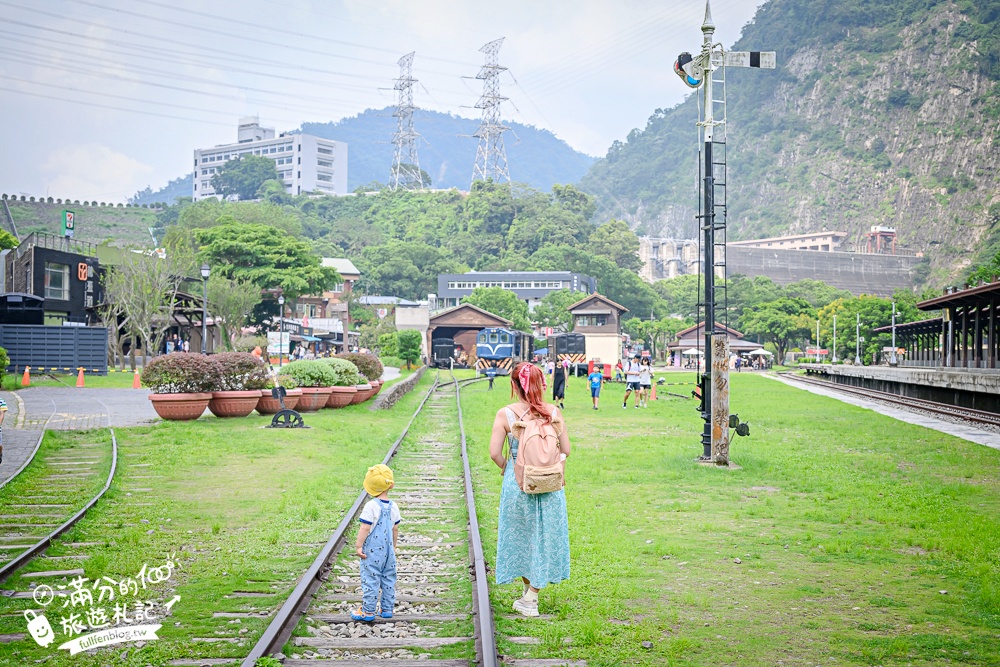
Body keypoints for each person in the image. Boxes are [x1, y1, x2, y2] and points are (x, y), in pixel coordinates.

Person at [488, 362, 570, 617]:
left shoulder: (506, 414)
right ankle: (530, 596)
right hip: (549, 484)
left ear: (514, 385)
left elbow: (493, 453)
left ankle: (530, 598)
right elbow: (566, 450)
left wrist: (509, 467)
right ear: (540, 384)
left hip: (519, 483)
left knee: (522, 536)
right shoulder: (553, 412)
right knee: (544, 536)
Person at [352, 464, 401, 622]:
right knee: (388, 579)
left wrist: (359, 545)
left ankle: (368, 611)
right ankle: (387, 609)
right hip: (388, 552)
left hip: (372, 553)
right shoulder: (394, 506)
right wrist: (393, 546)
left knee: (371, 579)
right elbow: (395, 529)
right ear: (391, 485)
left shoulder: (371, 506)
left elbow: (365, 527)